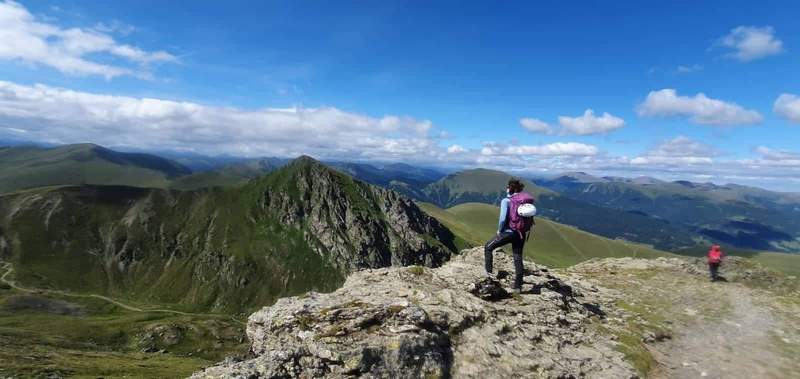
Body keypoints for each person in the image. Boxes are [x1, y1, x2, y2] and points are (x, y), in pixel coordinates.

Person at [484, 178, 535, 293]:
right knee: (517, 257)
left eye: (507, 187)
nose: (506, 189)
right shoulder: (524, 200)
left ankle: (489, 279)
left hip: (509, 232)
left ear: (510, 188)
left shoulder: (506, 201)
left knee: (488, 247)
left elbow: (502, 219)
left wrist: (499, 231)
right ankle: (518, 286)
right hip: (521, 234)